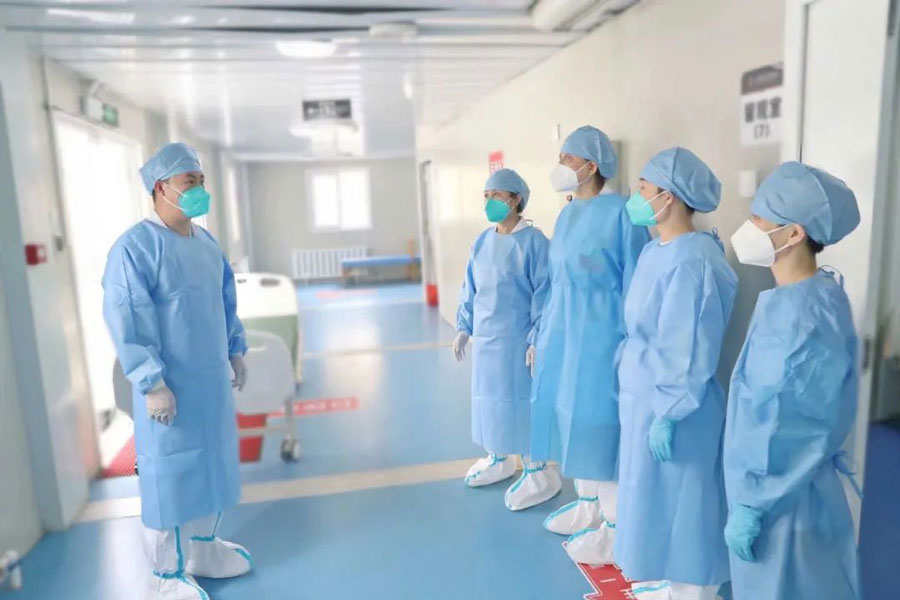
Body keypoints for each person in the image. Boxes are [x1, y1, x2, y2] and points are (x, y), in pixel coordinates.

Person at [103, 142, 252, 600]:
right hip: (169, 387)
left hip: (210, 383)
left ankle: (204, 547)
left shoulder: (206, 244)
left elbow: (225, 302)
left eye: (202, 181)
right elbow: (128, 318)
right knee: (168, 477)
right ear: (161, 187)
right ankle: (166, 575)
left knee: (213, 463)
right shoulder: (135, 249)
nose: (199, 189)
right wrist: (151, 383)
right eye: (190, 182)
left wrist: (235, 349)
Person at [724, 161, 862, 600]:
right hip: (775, 491)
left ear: (794, 233)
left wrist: (754, 502)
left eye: (759, 219)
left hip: (783, 499)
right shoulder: (800, 297)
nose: (749, 228)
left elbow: (792, 426)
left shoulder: (805, 316)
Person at [613, 148, 736, 599]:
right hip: (644, 395)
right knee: (654, 496)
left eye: (644, 188)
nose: (636, 196)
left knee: (686, 501)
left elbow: (688, 347)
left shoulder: (695, 261)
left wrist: (669, 411)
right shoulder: (655, 251)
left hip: (679, 404)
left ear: (669, 197)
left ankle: (694, 590)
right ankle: (672, 582)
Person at [530, 126, 651, 550]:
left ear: (591, 164)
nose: (560, 166)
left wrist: (632, 343)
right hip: (565, 334)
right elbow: (556, 281)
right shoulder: (566, 215)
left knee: (601, 425)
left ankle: (616, 527)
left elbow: (637, 280)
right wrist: (542, 334)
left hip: (604, 337)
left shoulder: (623, 213)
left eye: (567, 158)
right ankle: (588, 505)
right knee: (571, 417)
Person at [453, 168, 561, 510]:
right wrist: (464, 327)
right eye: (486, 196)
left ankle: (537, 470)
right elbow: (471, 287)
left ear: (516, 200)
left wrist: (537, 339)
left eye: (496, 196)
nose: (489, 202)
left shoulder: (535, 243)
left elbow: (545, 294)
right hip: (486, 343)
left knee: (521, 404)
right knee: (489, 402)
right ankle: (499, 457)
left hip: (517, 343)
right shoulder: (482, 242)